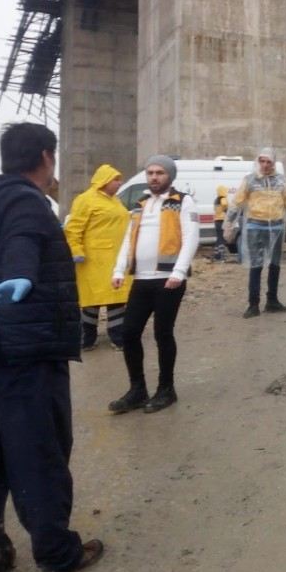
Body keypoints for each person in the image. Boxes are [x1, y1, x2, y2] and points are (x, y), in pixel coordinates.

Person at [0, 122, 104, 572]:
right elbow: (22, 245)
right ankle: (57, 553)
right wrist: (22, 278)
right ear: (47, 157)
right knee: (37, 454)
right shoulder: (27, 202)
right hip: (23, 354)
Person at [109, 155, 199, 414]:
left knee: (163, 333)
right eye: (150, 173)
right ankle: (137, 390)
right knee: (129, 332)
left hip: (168, 280)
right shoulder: (141, 204)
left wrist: (179, 271)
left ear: (169, 176)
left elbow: (190, 237)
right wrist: (119, 268)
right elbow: (129, 238)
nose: (154, 177)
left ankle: (166, 389)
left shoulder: (183, 201)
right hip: (142, 279)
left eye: (159, 172)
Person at [223, 148, 286, 318]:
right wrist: (229, 223)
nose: (265, 165)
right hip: (255, 227)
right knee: (256, 265)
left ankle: (272, 300)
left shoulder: (282, 182)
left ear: (273, 163)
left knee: (275, 265)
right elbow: (237, 203)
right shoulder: (250, 181)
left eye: (268, 162)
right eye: (262, 161)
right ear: (258, 162)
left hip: (277, 227)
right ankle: (253, 304)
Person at [63, 164, 131, 350]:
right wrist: (76, 251)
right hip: (92, 260)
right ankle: (87, 338)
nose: (120, 183)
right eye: (116, 180)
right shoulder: (85, 200)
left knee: (116, 298)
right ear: (105, 180)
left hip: (115, 258)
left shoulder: (115, 200)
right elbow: (73, 228)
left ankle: (118, 338)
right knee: (91, 301)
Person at [213, 184, 229, 261]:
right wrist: (226, 209)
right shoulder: (223, 199)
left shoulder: (216, 200)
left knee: (219, 238)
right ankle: (222, 256)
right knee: (222, 239)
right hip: (222, 220)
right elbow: (225, 205)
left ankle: (217, 255)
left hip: (216, 220)